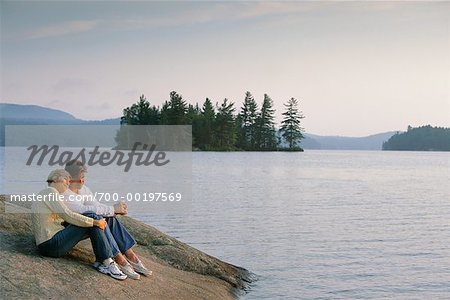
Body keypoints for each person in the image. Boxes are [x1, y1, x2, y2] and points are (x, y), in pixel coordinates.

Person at [31, 169, 127, 280]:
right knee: (91, 217)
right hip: (50, 244)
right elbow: (68, 215)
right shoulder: (50, 192)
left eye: (69, 179)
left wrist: (93, 222)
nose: (68, 182)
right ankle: (107, 261)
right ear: (55, 179)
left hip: (51, 243)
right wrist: (94, 222)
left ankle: (103, 261)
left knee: (91, 217)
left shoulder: (52, 194)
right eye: (65, 179)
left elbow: (64, 218)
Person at [63, 160, 151, 280]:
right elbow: (82, 210)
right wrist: (112, 209)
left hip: (86, 224)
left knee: (108, 217)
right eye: (80, 178)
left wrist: (115, 210)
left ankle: (131, 256)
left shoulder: (84, 189)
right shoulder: (64, 194)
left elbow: (96, 205)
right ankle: (119, 259)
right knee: (95, 216)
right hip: (70, 228)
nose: (82, 180)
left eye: (84, 177)